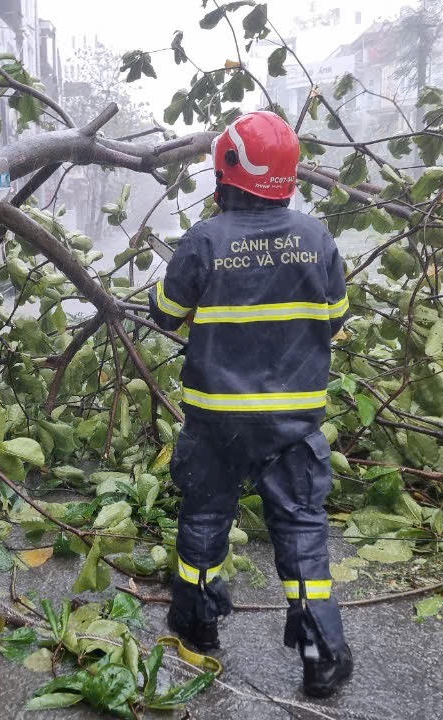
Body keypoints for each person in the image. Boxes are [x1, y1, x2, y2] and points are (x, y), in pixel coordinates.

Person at [148, 110, 353, 698]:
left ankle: (198, 629)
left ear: (227, 175)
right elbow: (334, 319)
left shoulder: (205, 240)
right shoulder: (316, 238)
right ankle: (320, 655)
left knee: (206, 520)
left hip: (216, 420)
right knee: (300, 529)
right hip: (294, 422)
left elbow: (165, 313)